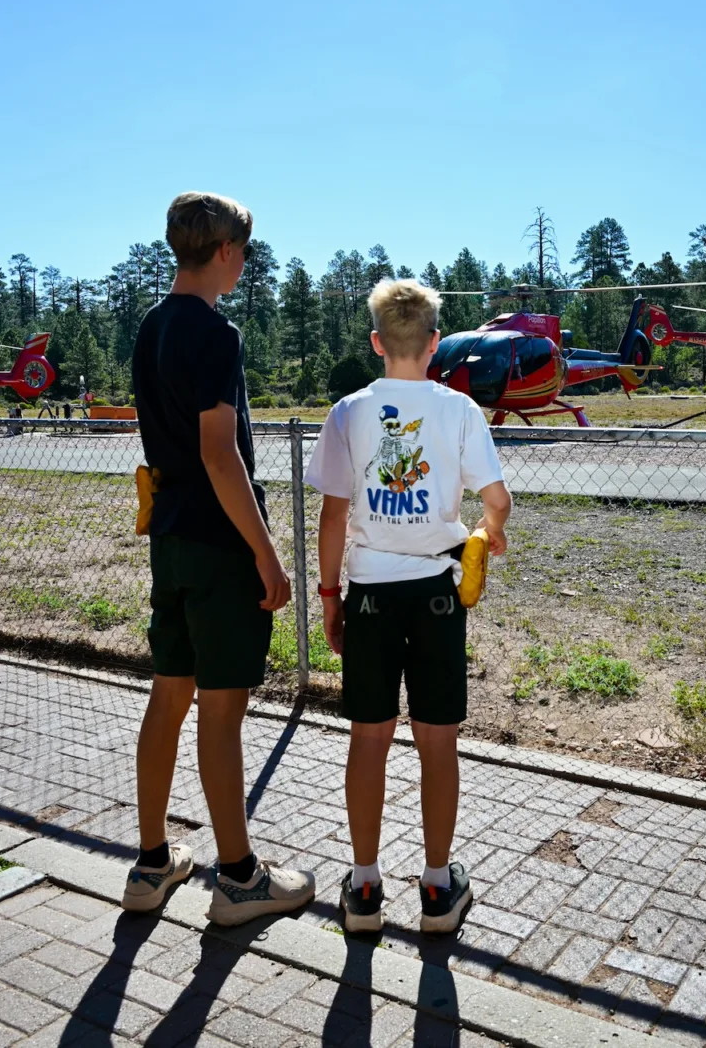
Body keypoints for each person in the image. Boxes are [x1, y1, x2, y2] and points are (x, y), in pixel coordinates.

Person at [124, 191, 315, 925]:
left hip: (169, 536)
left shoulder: (150, 327)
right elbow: (220, 453)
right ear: (227, 252)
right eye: (245, 250)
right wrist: (266, 554)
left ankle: (150, 865)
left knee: (169, 695)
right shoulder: (215, 332)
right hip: (216, 540)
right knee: (222, 712)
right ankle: (238, 878)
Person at [305, 278, 512, 934]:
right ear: (432, 344)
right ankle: (436, 886)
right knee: (437, 741)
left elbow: (332, 518)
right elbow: (497, 501)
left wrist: (332, 596)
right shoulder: (459, 412)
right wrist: (485, 535)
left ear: (375, 343)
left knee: (368, 737)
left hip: (369, 593)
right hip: (437, 596)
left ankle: (364, 888)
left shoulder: (347, 412)